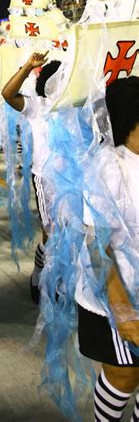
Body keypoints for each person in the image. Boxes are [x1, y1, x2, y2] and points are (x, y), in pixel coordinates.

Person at [75, 76, 139, 421]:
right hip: (113, 296)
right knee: (125, 375)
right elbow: (97, 247)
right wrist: (124, 311)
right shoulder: (109, 166)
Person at [1, 51, 61, 303]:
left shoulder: (75, 109)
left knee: (69, 235)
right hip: (45, 179)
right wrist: (27, 66)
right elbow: (8, 94)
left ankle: (60, 282)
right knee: (52, 233)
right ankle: (39, 275)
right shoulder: (38, 106)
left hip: (72, 183)